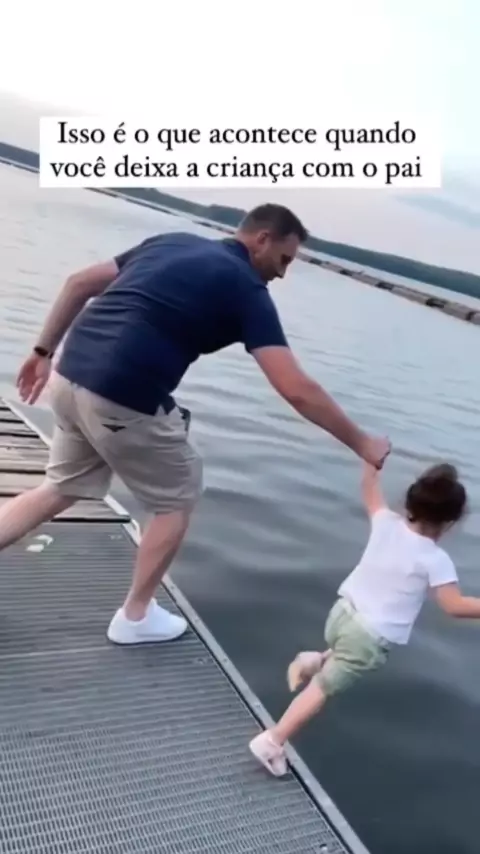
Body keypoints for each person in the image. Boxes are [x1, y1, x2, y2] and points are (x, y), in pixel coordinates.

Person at [4, 203, 390, 646]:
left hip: (69, 377)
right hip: (120, 396)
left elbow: (78, 283)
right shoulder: (246, 288)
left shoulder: (171, 243)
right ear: (262, 239)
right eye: (284, 259)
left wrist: (41, 352)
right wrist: (362, 443)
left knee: (60, 487)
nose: (283, 273)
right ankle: (135, 617)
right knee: (178, 496)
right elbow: (295, 388)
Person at [249, 460, 475, 777]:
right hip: (367, 637)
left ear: (409, 503)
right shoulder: (436, 559)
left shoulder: (385, 522)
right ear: (450, 522)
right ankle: (272, 741)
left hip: (341, 614)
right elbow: (454, 605)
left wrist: (372, 460)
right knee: (321, 690)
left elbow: (369, 486)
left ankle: (314, 659)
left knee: (344, 651)